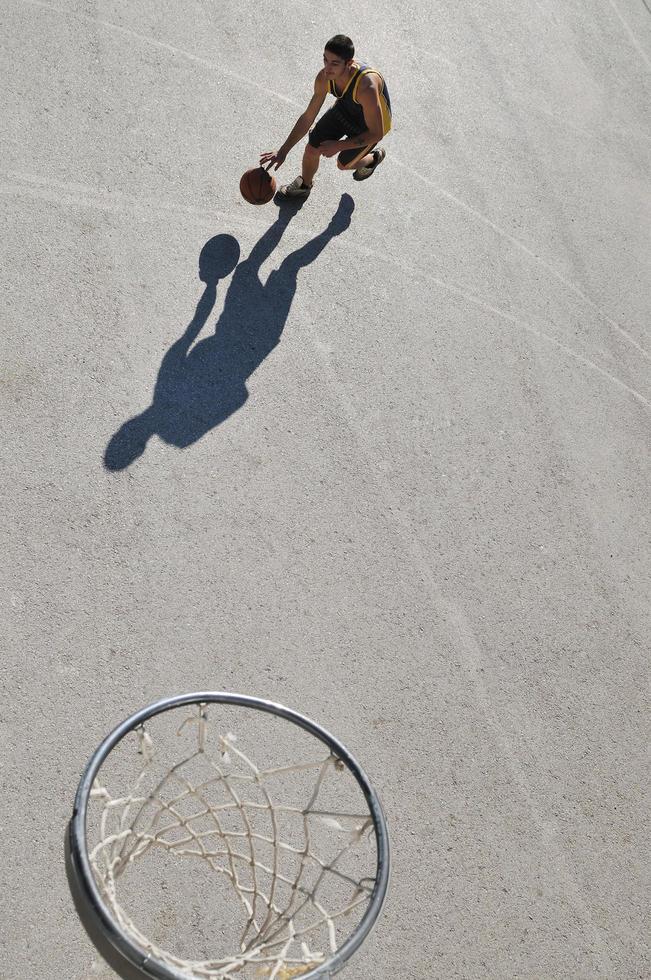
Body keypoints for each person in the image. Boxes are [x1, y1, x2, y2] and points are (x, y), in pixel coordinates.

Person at [260, 35, 391, 201]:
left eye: (334, 63)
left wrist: (339, 145)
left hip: (370, 126)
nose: (327, 68)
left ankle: (373, 159)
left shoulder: (366, 87)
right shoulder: (324, 78)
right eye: (325, 60)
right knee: (312, 148)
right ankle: (304, 186)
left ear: (349, 64)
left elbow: (376, 133)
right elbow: (308, 117)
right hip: (346, 109)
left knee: (343, 165)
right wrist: (283, 150)